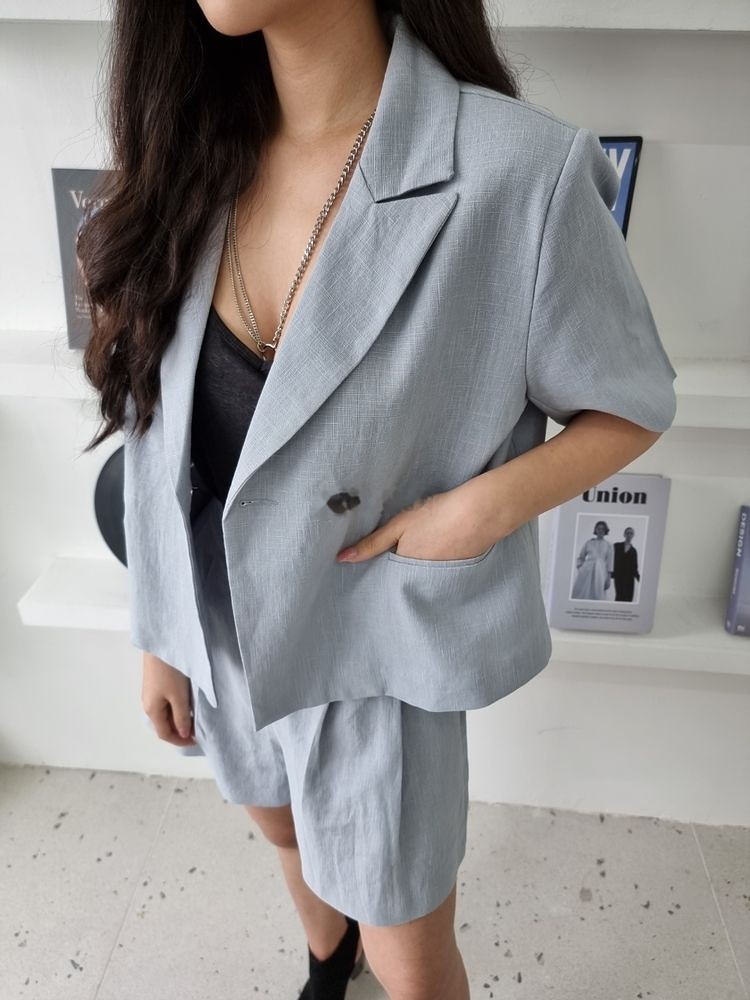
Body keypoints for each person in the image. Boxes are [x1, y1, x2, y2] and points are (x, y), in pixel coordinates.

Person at [76, 2, 678, 997]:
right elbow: (156, 420)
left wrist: (476, 510)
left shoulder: (519, 175)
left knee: (411, 952)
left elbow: (633, 403)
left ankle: (363, 954)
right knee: (278, 824)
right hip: (219, 621)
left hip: (373, 641)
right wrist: (162, 633)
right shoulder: (188, 150)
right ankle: (327, 957)